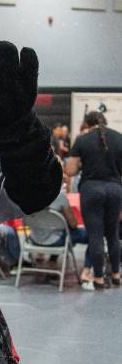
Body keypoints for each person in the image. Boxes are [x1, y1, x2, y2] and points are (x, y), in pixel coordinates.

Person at [66, 111, 122, 289]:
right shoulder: (119, 138)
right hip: (115, 189)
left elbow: (70, 170)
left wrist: (84, 162)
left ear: (87, 124)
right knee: (113, 235)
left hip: (91, 190)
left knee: (95, 235)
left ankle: (98, 277)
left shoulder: (82, 140)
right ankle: (115, 274)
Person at [28, 188, 93, 287]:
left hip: (34, 240)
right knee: (93, 236)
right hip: (56, 240)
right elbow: (73, 224)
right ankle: (86, 271)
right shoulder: (59, 196)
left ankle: (52, 261)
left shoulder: (29, 196)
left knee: (58, 230)